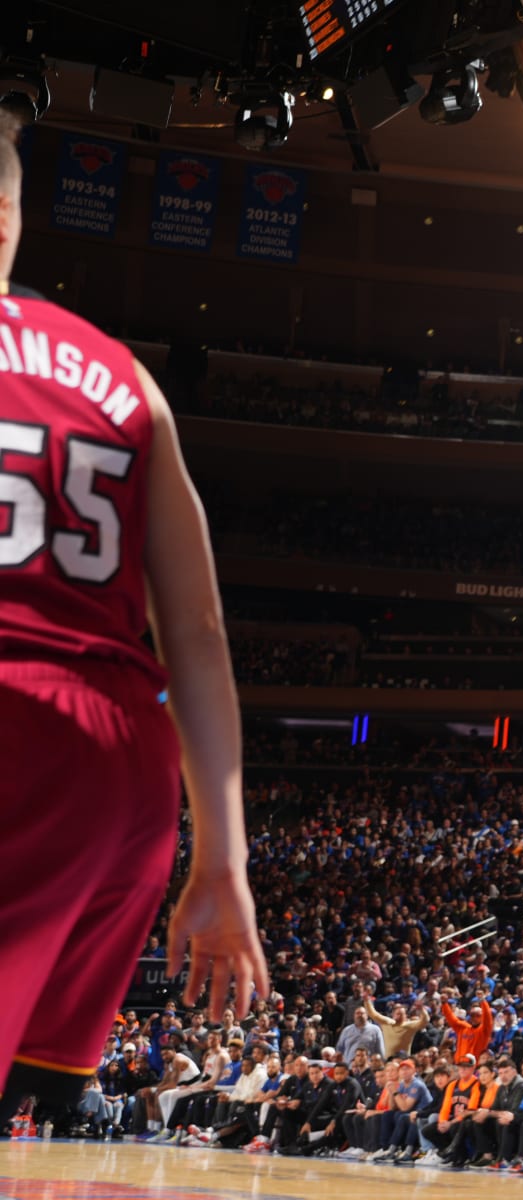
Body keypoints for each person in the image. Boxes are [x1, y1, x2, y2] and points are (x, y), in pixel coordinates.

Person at [0, 109, 266, 1130]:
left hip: (15, 724)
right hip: (122, 774)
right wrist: (222, 863)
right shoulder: (122, 374)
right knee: (37, 1111)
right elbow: (195, 635)